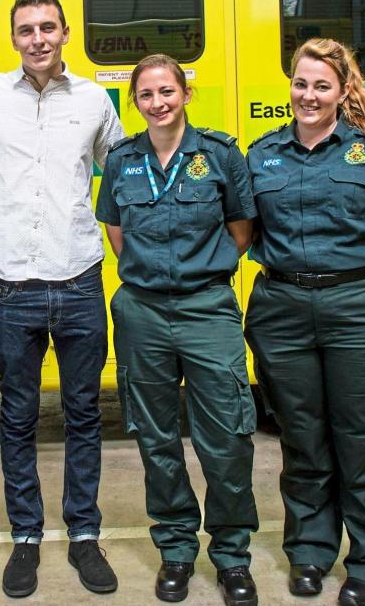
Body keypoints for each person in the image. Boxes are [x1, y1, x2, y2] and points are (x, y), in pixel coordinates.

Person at [244, 39, 365, 606]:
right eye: (301, 84)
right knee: (302, 439)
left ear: (343, 90)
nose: (308, 95)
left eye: (321, 85)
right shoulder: (263, 154)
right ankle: (309, 551)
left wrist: (357, 270)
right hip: (284, 312)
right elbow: (249, 230)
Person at [0, 0, 125, 598]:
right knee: (20, 419)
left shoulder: (94, 100)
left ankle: (84, 534)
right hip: (16, 287)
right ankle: (26, 538)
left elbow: (123, 174)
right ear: (13, 38)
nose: (37, 39)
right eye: (26, 29)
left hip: (80, 277)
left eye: (47, 28)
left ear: (65, 34)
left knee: (84, 417)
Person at [95, 54, 260, 606]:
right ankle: (176, 550)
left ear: (185, 94)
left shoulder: (218, 154)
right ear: (135, 102)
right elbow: (117, 232)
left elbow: (240, 229)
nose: (158, 102)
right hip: (142, 312)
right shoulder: (121, 160)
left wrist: (194, 273)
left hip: (206, 308)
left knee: (227, 439)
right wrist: (154, 277)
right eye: (146, 95)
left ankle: (233, 556)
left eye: (167, 91)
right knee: (155, 438)